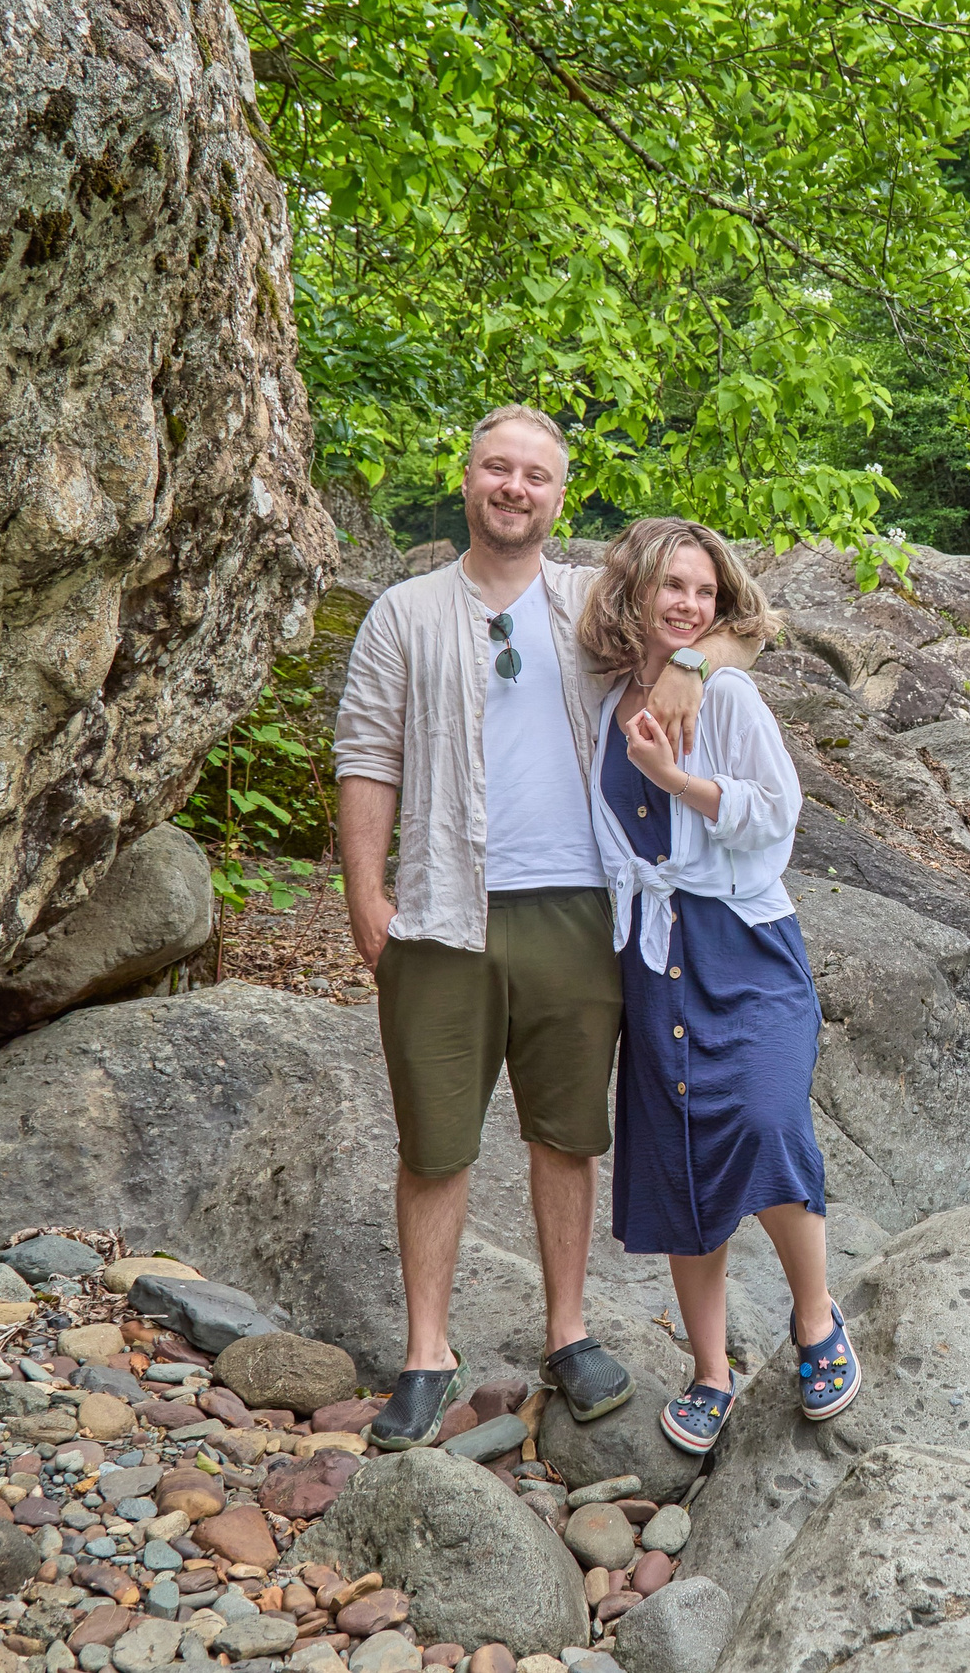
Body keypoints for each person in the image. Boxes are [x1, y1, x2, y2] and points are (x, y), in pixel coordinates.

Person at [332, 406, 758, 1450]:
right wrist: (365, 893)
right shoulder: (404, 612)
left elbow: (737, 619)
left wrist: (694, 666)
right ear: (467, 476)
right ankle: (428, 1351)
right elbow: (366, 751)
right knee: (435, 1142)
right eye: (497, 468)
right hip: (440, 912)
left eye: (536, 475)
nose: (514, 487)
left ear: (561, 495)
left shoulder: (590, 606)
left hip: (577, 909)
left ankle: (567, 1331)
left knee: (567, 1135)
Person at [578, 516, 857, 1454]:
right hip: (654, 957)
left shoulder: (725, 695)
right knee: (683, 1155)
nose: (691, 606)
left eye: (705, 592)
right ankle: (711, 1370)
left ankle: (815, 1321)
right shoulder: (602, 697)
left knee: (771, 1120)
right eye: (673, 588)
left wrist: (676, 776)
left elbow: (778, 821)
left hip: (744, 939)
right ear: (635, 596)